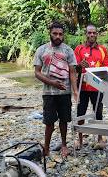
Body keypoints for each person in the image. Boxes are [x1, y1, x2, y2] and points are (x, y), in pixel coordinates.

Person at [34, 21, 78, 157]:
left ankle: (64, 145)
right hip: (48, 93)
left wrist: (75, 91)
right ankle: (46, 148)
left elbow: (72, 72)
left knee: (64, 120)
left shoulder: (68, 50)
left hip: (65, 92)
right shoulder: (42, 50)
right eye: (55, 34)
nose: (58, 36)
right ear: (50, 34)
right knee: (49, 122)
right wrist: (52, 83)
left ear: (63, 35)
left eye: (60, 34)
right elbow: (37, 72)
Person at [74, 24, 108, 149]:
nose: (92, 35)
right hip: (82, 87)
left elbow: (106, 68)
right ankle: (79, 139)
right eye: (89, 33)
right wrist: (80, 65)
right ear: (86, 34)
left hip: (97, 87)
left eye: (94, 33)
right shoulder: (79, 49)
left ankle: (100, 138)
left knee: (98, 112)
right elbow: (75, 68)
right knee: (80, 112)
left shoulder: (102, 50)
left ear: (97, 34)